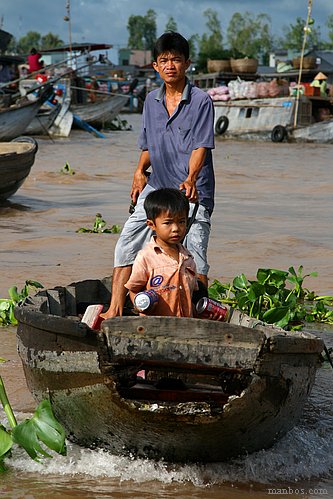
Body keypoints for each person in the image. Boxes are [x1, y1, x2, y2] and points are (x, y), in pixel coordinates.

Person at [101, 31, 215, 319]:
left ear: (187, 63)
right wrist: (139, 172)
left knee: (193, 254)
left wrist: (190, 178)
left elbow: (201, 146)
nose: (170, 66)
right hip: (157, 185)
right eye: (164, 60)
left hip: (191, 190)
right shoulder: (151, 100)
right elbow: (148, 144)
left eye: (176, 60)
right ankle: (115, 308)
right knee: (127, 241)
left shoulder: (201, 101)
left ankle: (198, 313)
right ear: (155, 65)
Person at [125, 188, 198, 317]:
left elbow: (192, 295)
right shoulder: (146, 257)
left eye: (181, 222)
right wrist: (140, 305)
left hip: (185, 325)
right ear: (151, 224)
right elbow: (134, 290)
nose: (176, 229)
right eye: (168, 223)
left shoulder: (188, 258)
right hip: (155, 326)